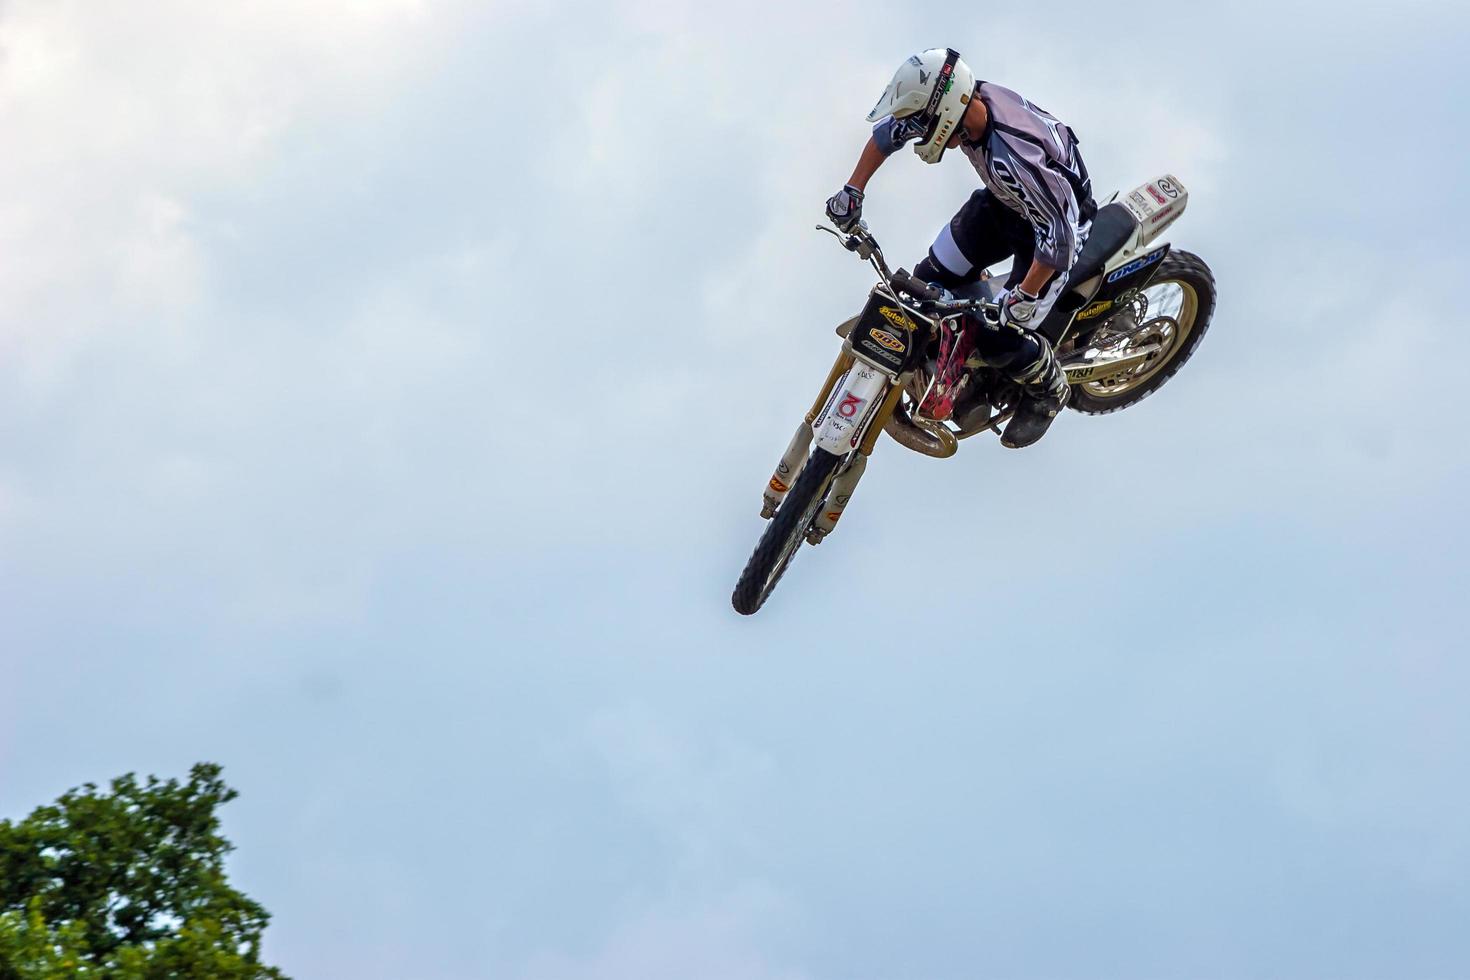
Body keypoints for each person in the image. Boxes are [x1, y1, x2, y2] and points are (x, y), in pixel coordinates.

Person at [825, 48, 1096, 448]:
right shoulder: (963, 107)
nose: (916, 130)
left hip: (1053, 235)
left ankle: (1048, 392)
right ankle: (934, 360)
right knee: (923, 286)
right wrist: (853, 190)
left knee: (999, 334)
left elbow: (1059, 239)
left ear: (945, 111)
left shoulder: (1016, 156)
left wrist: (1024, 295)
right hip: (1004, 204)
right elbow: (887, 134)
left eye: (922, 122)